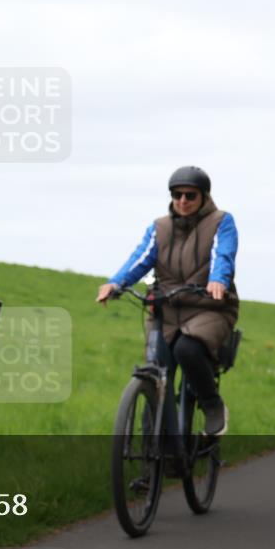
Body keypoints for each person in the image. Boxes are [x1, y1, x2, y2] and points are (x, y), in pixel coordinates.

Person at [96, 166, 239, 436]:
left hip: (208, 306)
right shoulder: (159, 227)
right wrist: (116, 283)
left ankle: (212, 405)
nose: (183, 201)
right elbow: (140, 258)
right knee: (157, 370)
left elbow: (224, 254)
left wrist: (218, 279)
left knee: (187, 349)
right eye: (177, 195)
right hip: (167, 308)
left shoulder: (221, 221)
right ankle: (156, 452)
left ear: (204, 197)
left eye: (190, 195)